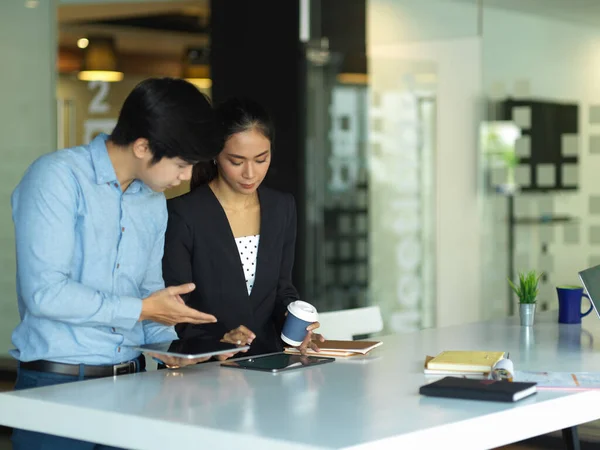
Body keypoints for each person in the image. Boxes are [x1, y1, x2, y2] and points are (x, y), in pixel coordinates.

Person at [10, 78, 233, 450]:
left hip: (134, 386)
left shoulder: (152, 201)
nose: (185, 177)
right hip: (57, 390)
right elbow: (45, 293)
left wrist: (178, 350)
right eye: (181, 164)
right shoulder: (57, 178)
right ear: (143, 146)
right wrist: (144, 309)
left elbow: (147, 295)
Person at [162, 97, 324, 357]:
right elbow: (174, 306)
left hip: (266, 364)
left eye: (261, 159)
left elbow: (282, 288)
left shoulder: (281, 207)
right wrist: (219, 339)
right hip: (204, 373)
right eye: (237, 162)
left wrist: (296, 327)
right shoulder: (183, 214)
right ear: (215, 155)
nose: (250, 173)